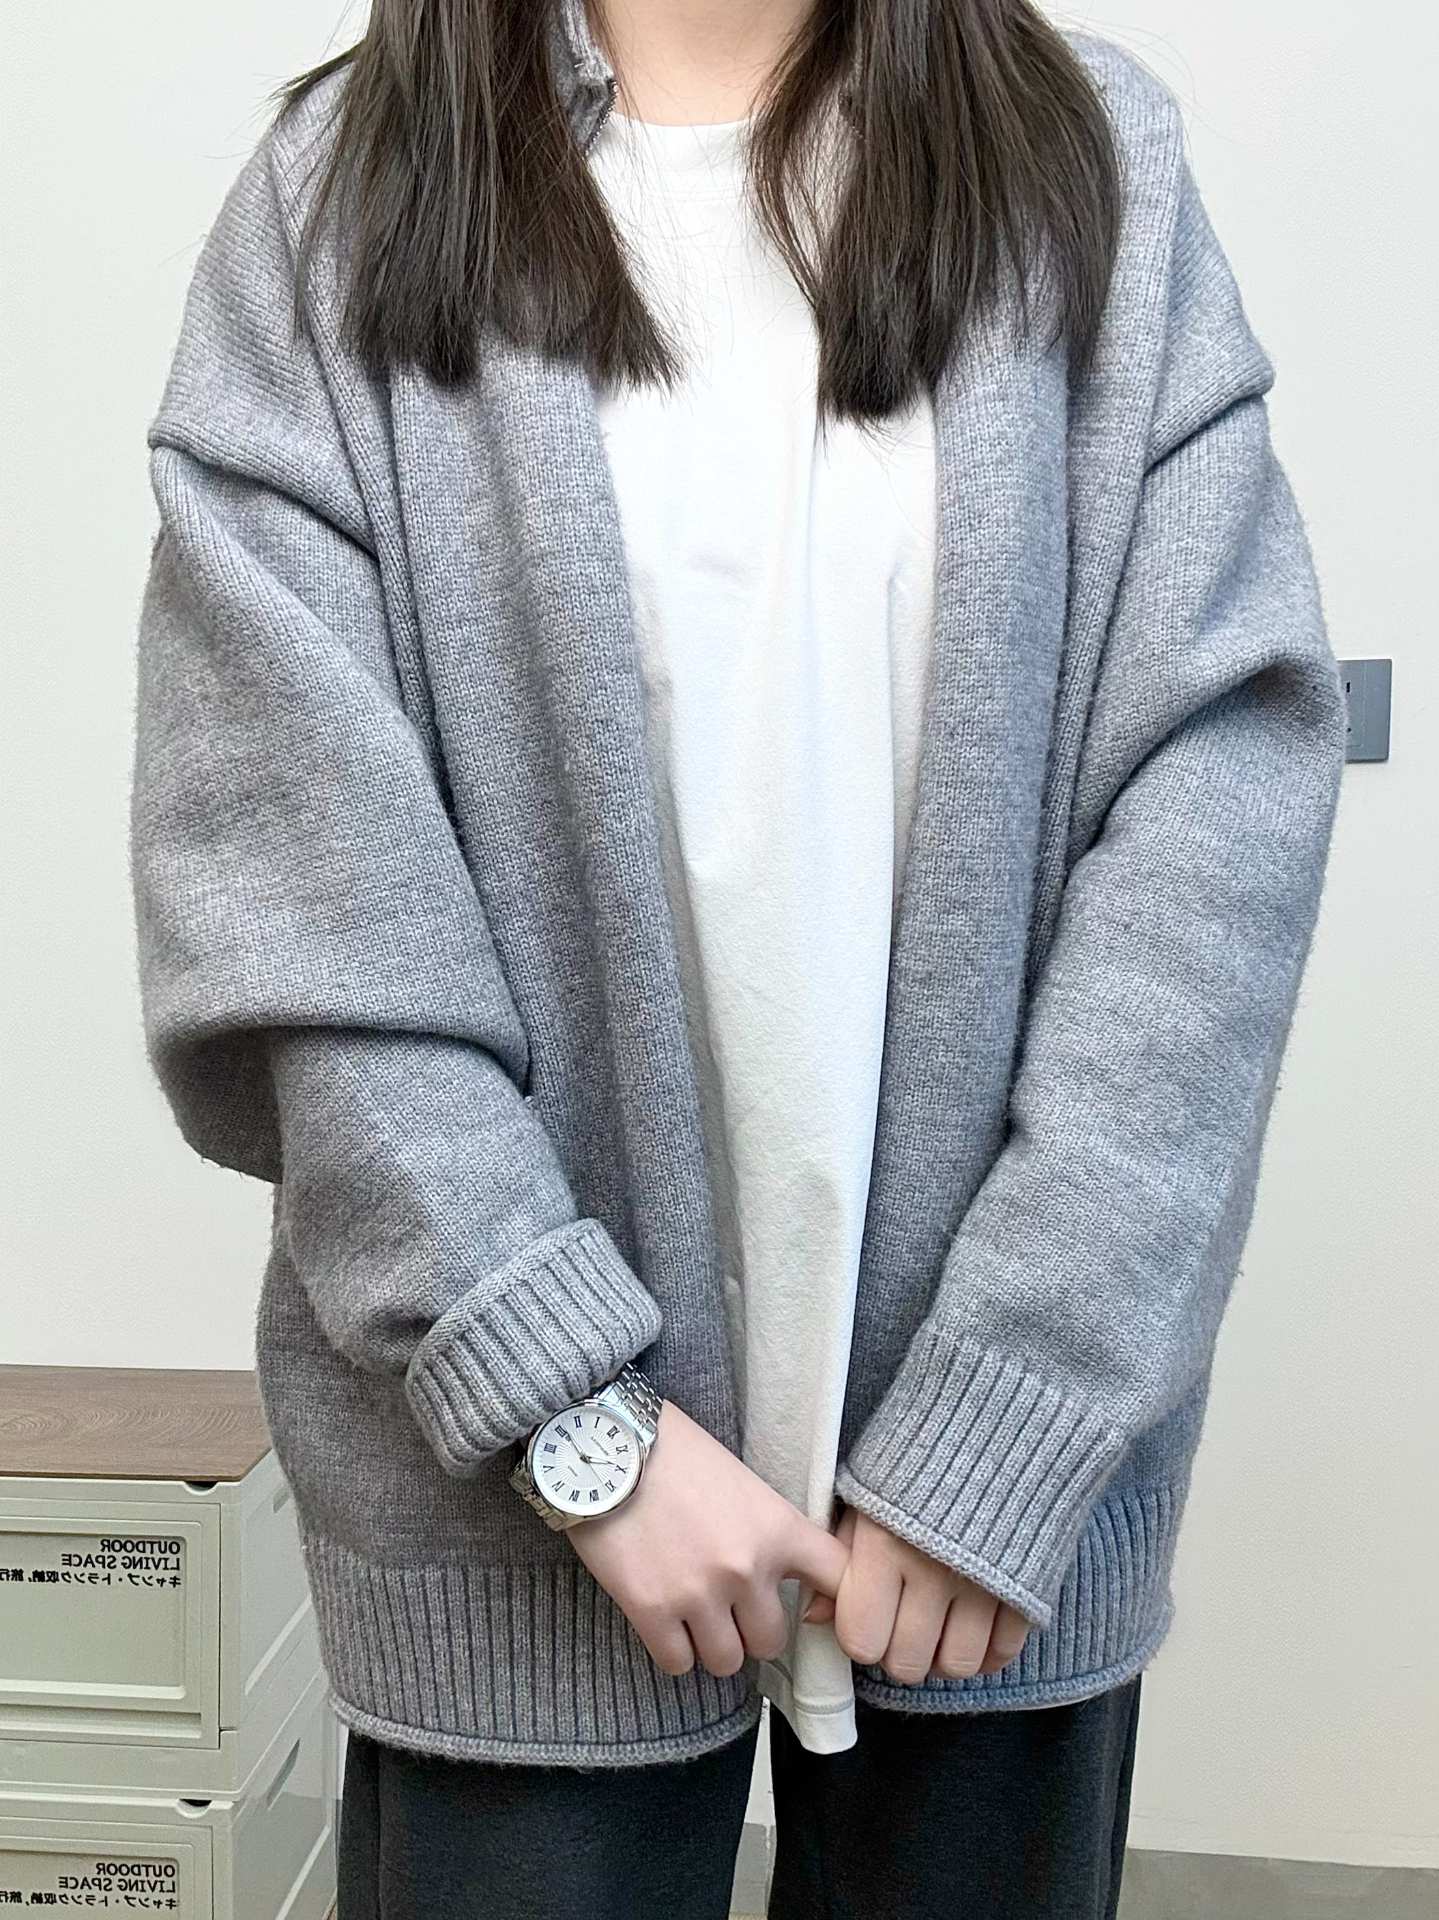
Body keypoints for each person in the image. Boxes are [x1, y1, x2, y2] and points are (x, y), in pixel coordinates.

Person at [128, 0, 1347, 1911]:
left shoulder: (1091, 163)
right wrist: (572, 1417)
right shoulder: (337, 203)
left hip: (994, 1533)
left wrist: (1014, 1412)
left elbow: (1213, 824)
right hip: (513, 1532)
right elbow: (295, 885)